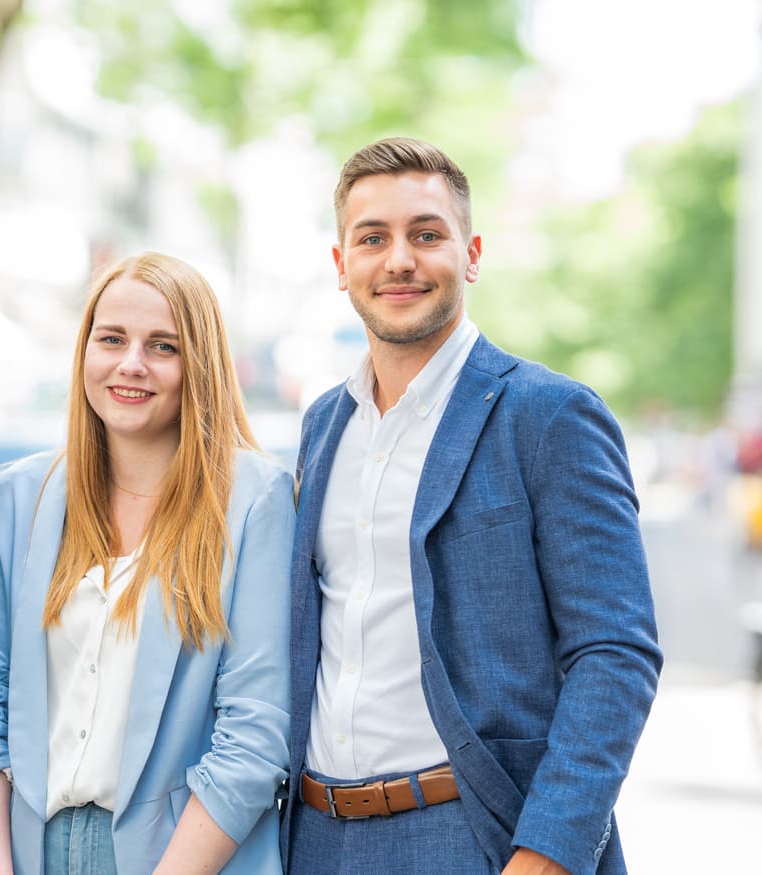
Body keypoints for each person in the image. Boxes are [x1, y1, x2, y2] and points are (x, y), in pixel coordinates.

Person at [281, 138, 663, 875]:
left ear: (472, 253)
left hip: (476, 834)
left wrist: (547, 850)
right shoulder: (322, 427)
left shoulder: (548, 415)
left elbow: (616, 652)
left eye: (426, 234)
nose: (399, 260)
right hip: (318, 837)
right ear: (341, 265)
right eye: (372, 238)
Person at [0, 252, 293, 875]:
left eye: (163, 346)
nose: (130, 364)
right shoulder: (21, 497)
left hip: (184, 857)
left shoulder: (255, 499)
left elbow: (253, 736)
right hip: (30, 854)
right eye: (112, 339)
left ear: (201, 365)